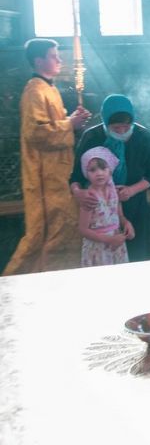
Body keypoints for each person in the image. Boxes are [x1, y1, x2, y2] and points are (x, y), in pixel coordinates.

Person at [3, 38, 90, 276]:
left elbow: (53, 125)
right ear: (39, 60)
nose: (60, 60)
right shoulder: (34, 91)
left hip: (58, 174)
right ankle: (17, 284)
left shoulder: (49, 89)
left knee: (64, 230)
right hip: (46, 179)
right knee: (50, 234)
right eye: (54, 56)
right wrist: (69, 124)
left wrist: (73, 121)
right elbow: (36, 133)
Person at [71, 94, 150, 263]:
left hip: (135, 205)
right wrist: (78, 192)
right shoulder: (92, 137)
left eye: (126, 127)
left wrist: (131, 190)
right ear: (106, 123)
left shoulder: (143, 137)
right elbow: (75, 176)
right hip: (98, 209)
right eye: (116, 128)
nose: (121, 132)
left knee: (138, 258)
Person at [79, 147, 135, 267]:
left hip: (116, 243)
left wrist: (126, 224)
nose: (99, 173)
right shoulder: (90, 198)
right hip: (98, 247)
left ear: (110, 170)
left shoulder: (114, 192)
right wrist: (109, 240)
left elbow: (119, 216)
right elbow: (83, 229)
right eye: (92, 170)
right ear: (86, 173)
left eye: (103, 168)